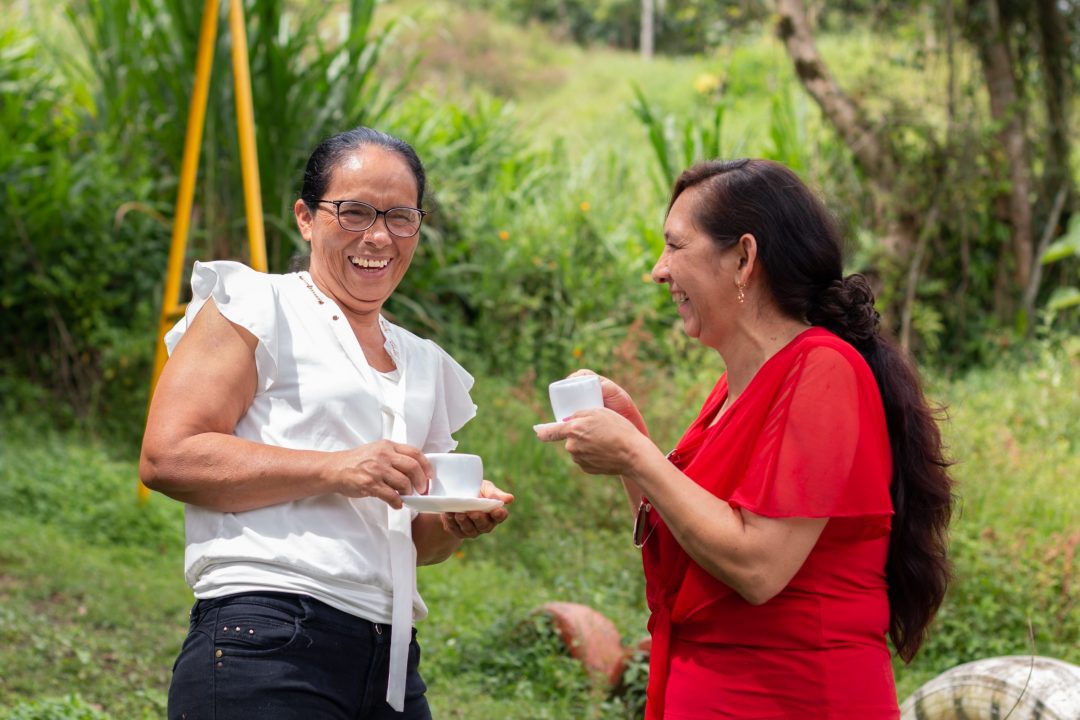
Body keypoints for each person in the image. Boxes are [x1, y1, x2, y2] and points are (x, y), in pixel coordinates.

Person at [537, 158, 953, 719]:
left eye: (674, 247)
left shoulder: (824, 370)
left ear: (743, 258)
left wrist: (635, 453)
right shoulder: (731, 389)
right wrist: (630, 439)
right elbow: (692, 534)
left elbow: (759, 567)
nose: (659, 271)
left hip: (794, 694)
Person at [140, 127, 514, 720]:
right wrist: (338, 468)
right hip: (265, 640)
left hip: (388, 660)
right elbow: (168, 456)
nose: (378, 236)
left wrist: (456, 520)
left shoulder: (423, 361)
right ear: (306, 218)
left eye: (400, 217)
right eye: (355, 212)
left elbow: (420, 542)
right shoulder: (256, 305)